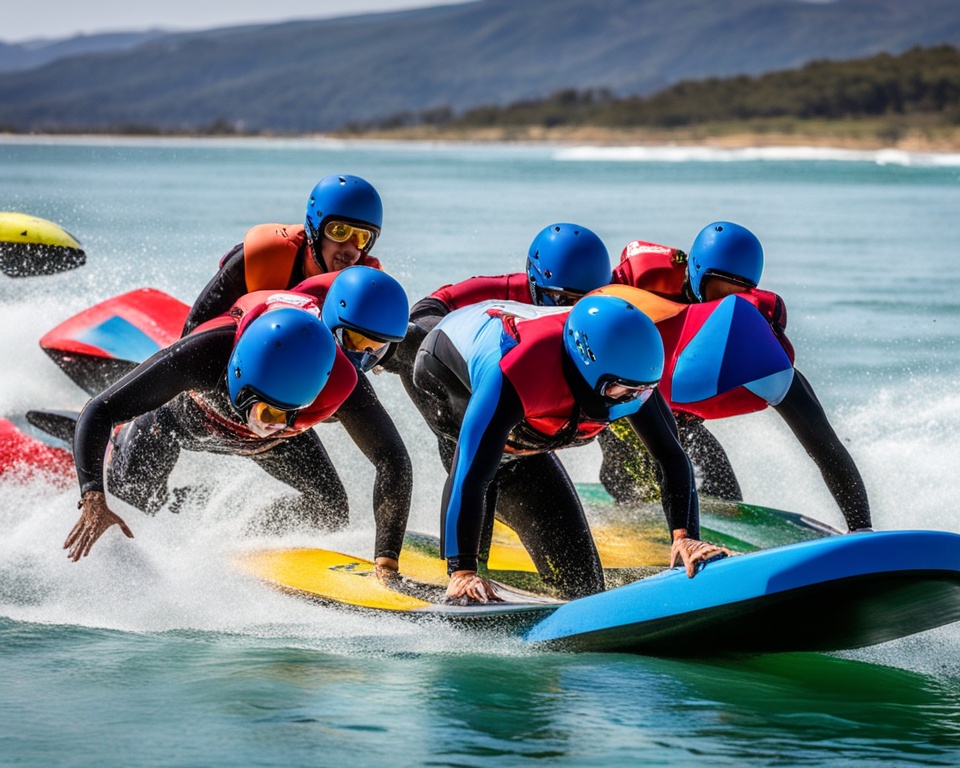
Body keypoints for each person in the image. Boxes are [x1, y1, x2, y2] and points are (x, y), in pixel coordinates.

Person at [65, 267, 414, 579]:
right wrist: (93, 497)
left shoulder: (342, 382)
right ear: (238, 374)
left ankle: (238, 539)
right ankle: (109, 460)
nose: (271, 423)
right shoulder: (204, 356)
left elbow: (392, 459)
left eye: (289, 414)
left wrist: (386, 562)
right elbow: (100, 409)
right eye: (266, 412)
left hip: (268, 447)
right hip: (175, 424)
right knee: (129, 512)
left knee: (330, 510)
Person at [411, 293, 731, 604]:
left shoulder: (632, 379)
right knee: (496, 459)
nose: (631, 399)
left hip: (532, 367)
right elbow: (470, 469)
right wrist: (462, 570)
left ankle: (480, 551)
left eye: (642, 390)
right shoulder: (517, 369)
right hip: (444, 366)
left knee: (584, 586)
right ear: (587, 362)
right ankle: (466, 565)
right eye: (621, 389)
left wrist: (685, 537)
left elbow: (671, 457)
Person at [601, 222, 872, 533]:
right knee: (638, 476)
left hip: (681, 422)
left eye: (739, 290)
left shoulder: (748, 333)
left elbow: (825, 445)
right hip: (627, 408)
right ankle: (639, 525)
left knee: (727, 497)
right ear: (696, 271)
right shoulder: (643, 283)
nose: (724, 299)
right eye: (718, 287)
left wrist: (861, 528)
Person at [182, 173, 385, 335]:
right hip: (240, 341)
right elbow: (197, 325)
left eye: (362, 238)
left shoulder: (367, 286)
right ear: (315, 229)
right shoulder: (266, 255)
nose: (350, 250)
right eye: (339, 232)